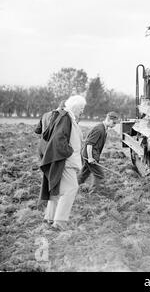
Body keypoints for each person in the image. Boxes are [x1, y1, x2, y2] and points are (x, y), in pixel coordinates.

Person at [40, 95, 86, 231]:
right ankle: (59, 223)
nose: (82, 111)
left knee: (57, 190)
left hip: (63, 160)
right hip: (65, 161)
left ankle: (50, 218)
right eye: (82, 108)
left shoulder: (67, 117)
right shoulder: (66, 117)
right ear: (76, 107)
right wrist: (69, 152)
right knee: (71, 188)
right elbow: (59, 138)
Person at [77, 112, 120, 193]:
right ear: (108, 119)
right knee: (99, 174)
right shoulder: (99, 129)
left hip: (91, 155)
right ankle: (93, 193)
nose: (114, 125)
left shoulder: (104, 129)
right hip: (90, 156)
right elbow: (89, 144)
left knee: (84, 173)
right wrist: (90, 157)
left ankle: (75, 187)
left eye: (116, 123)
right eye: (113, 123)